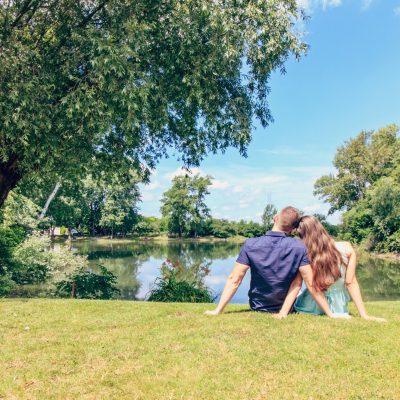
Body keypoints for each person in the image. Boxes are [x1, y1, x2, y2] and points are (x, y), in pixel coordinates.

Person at [205, 207, 346, 318]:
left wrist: (217, 310)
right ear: (293, 229)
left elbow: (234, 280)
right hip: (286, 308)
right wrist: (331, 314)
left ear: (275, 218)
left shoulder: (250, 244)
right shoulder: (299, 247)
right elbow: (308, 283)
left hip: (257, 306)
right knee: (299, 288)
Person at [287, 215, 385, 321]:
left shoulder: (304, 253)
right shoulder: (347, 247)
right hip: (338, 308)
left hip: (308, 307)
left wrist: (284, 311)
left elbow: (300, 284)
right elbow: (350, 283)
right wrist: (364, 315)